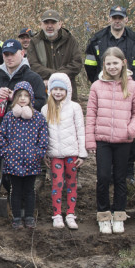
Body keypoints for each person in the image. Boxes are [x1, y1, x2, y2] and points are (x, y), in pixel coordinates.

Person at [86, 47, 135, 234]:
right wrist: (90, 140)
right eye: (109, 63)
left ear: (123, 63)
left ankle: (119, 214)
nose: (112, 67)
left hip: (123, 140)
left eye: (116, 63)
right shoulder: (96, 86)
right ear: (104, 65)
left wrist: (131, 130)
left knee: (120, 179)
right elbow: (91, 114)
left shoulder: (133, 86)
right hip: (102, 139)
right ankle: (103, 215)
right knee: (103, 178)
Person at [0, 39, 46, 191]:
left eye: (12, 54)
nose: (9, 58)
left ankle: (27, 202)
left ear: (22, 53)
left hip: (27, 137)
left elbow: (42, 103)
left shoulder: (33, 78)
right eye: (5, 54)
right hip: (2, 135)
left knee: (27, 176)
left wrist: (16, 100)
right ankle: (12, 198)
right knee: (6, 174)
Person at [0, 81, 49, 230]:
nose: (23, 98)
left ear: (31, 98)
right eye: (19, 95)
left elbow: (43, 138)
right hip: (13, 162)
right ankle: (17, 217)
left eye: (26, 95)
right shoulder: (9, 118)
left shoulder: (38, 118)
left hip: (32, 161)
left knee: (29, 190)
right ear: (14, 99)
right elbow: (1, 136)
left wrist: (38, 153)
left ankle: (30, 216)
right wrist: (6, 152)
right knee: (15, 190)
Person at [42, 73, 86, 230]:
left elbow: (80, 130)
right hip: (55, 155)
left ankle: (71, 214)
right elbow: (44, 133)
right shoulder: (46, 108)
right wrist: (45, 153)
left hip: (71, 154)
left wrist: (82, 153)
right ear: (50, 90)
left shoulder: (75, 107)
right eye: (55, 89)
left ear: (68, 90)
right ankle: (57, 214)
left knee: (71, 183)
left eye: (61, 89)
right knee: (57, 184)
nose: (58, 92)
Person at [26, 10, 84, 99]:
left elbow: (77, 64)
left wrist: (55, 77)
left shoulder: (70, 40)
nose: (49, 26)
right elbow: (33, 65)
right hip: (43, 91)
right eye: (46, 22)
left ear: (60, 24)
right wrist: (54, 76)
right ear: (41, 24)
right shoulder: (34, 42)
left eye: (53, 22)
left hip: (67, 91)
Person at [83, 6, 135, 84]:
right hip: (104, 86)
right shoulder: (96, 41)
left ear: (126, 19)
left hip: (129, 87)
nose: (117, 21)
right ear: (109, 19)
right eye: (114, 18)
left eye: (120, 18)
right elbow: (90, 67)